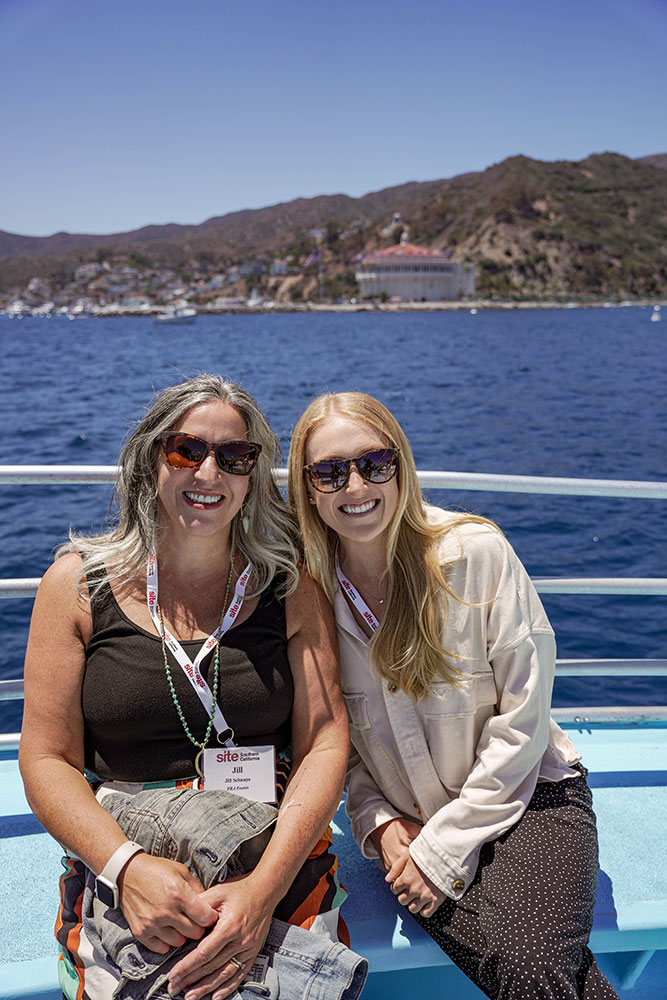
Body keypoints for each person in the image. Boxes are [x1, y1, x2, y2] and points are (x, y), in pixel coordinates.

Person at [19, 375, 351, 1000]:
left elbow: (326, 741)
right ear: (151, 461)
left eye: (234, 457)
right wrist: (127, 870)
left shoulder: (289, 588)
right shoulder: (77, 587)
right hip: (127, 851)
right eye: (186, 450)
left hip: (265, 847)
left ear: (251, 477)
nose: (209, 472)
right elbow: (45, 759)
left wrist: (263, 892)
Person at [287, 391, 620, 1000]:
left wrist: (438, 853)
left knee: (530, 964)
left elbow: (524, 721)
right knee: (533, 967)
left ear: (401, 465)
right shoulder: (309, 597)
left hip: (531, 796)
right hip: (412, 824)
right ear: (307, 488)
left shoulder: (475, 555)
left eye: (374, 463)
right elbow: (339, 744)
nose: (355, 486)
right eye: (329, 472)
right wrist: (379, 823)